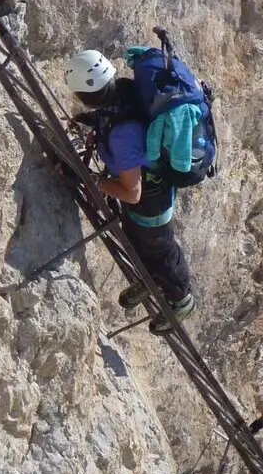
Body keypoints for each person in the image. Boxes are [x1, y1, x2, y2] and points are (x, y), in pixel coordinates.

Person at [65, 49, 194, 331]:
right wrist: (91, 122)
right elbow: (114, 117)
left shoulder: (123, 134)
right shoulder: (122, 91)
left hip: (149, 201)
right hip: (150, 192)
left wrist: (91, 180)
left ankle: (181, 299)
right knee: (140, 243)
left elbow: (132, 192)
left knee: (160, 250)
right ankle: (150, 280)